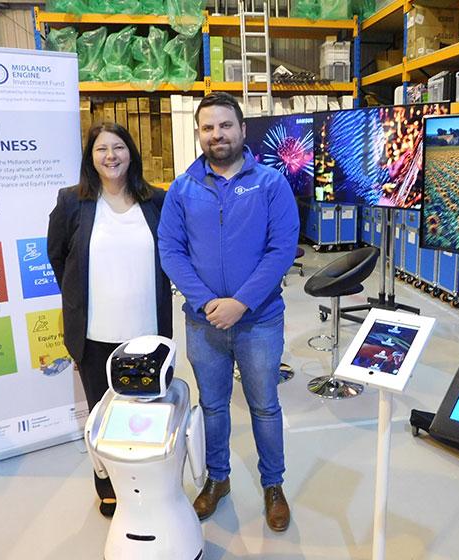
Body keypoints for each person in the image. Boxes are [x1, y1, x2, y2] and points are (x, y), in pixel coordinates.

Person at [158, 92, 300, 532]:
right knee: (213, 407)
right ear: (198, 134)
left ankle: (273, 486)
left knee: (264, 407)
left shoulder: (271, 183)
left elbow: (282, 249)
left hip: (258, 321)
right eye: (207, 127)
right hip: (204, 324)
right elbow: (171, 250)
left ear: (241, 129)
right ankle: (218, 480)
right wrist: (206, 303)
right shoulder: (183, 189)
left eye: (225, 125)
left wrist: (241, 303)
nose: (216, 134)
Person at [47, 122, 172, 518]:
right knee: (103, 415)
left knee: (147, 415)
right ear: (91, 157)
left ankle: (151, 483)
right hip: (95, 334)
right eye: (102, 149)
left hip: (148, 334)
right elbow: (57, 257)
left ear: (130, 152)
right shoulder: (73, 202)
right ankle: (107, 484)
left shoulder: (155, 201)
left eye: (118, 147)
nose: (111, 156)